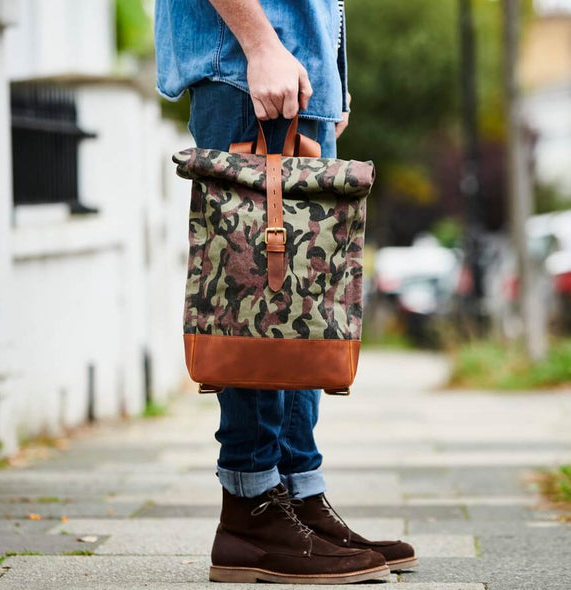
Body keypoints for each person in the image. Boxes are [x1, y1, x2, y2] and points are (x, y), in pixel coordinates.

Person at [154, 0, 417, 583]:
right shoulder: (256, 53)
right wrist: (260, 44)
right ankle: (250, 502)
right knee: (259, 292)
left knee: (303, 302)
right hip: (247, 61)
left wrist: (332, 77)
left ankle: (297, 493)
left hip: (297, 67)